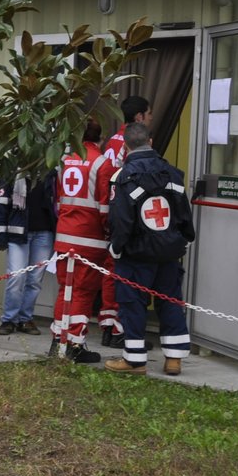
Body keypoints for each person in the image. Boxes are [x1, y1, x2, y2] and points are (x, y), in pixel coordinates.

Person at [104, 121, 194, 375]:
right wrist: (185, 238)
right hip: (168, 252)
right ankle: (174, 359)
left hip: (136, 253)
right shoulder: (172, 173)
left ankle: (134, 360)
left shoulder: (122, 177)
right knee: (170, 301)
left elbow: (121, 219)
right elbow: (183, 212)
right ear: (151, 142)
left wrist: (116, 248)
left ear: (125, 146)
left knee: (132, 304)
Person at [92, 96, 151, 346]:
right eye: (148, 114)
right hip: (126, 216)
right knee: (123, 273)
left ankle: (109, 325)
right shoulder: (132, 144)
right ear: (138, 117)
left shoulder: (111, 143)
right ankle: (118, 330)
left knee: (110, 271)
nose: (150, 119)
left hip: (113, 216)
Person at [49, 120, 109, 364]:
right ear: (100, 138)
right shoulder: (102, 163)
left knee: (65, 291)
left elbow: (58, 199)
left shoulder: (64, 159)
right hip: (89, 239)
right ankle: (74, 344)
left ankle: (58, 341)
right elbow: (105, 208)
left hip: (63, 236)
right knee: (83, 293)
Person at [0, 167, 57, 335]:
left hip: (44, 233)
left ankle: (25, 319)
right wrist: (0, 234)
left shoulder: (51, 172)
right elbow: (0, 205)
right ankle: (8, 320)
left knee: (35, 280)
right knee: (16, 276)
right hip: (17, 233)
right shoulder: (11, 170)